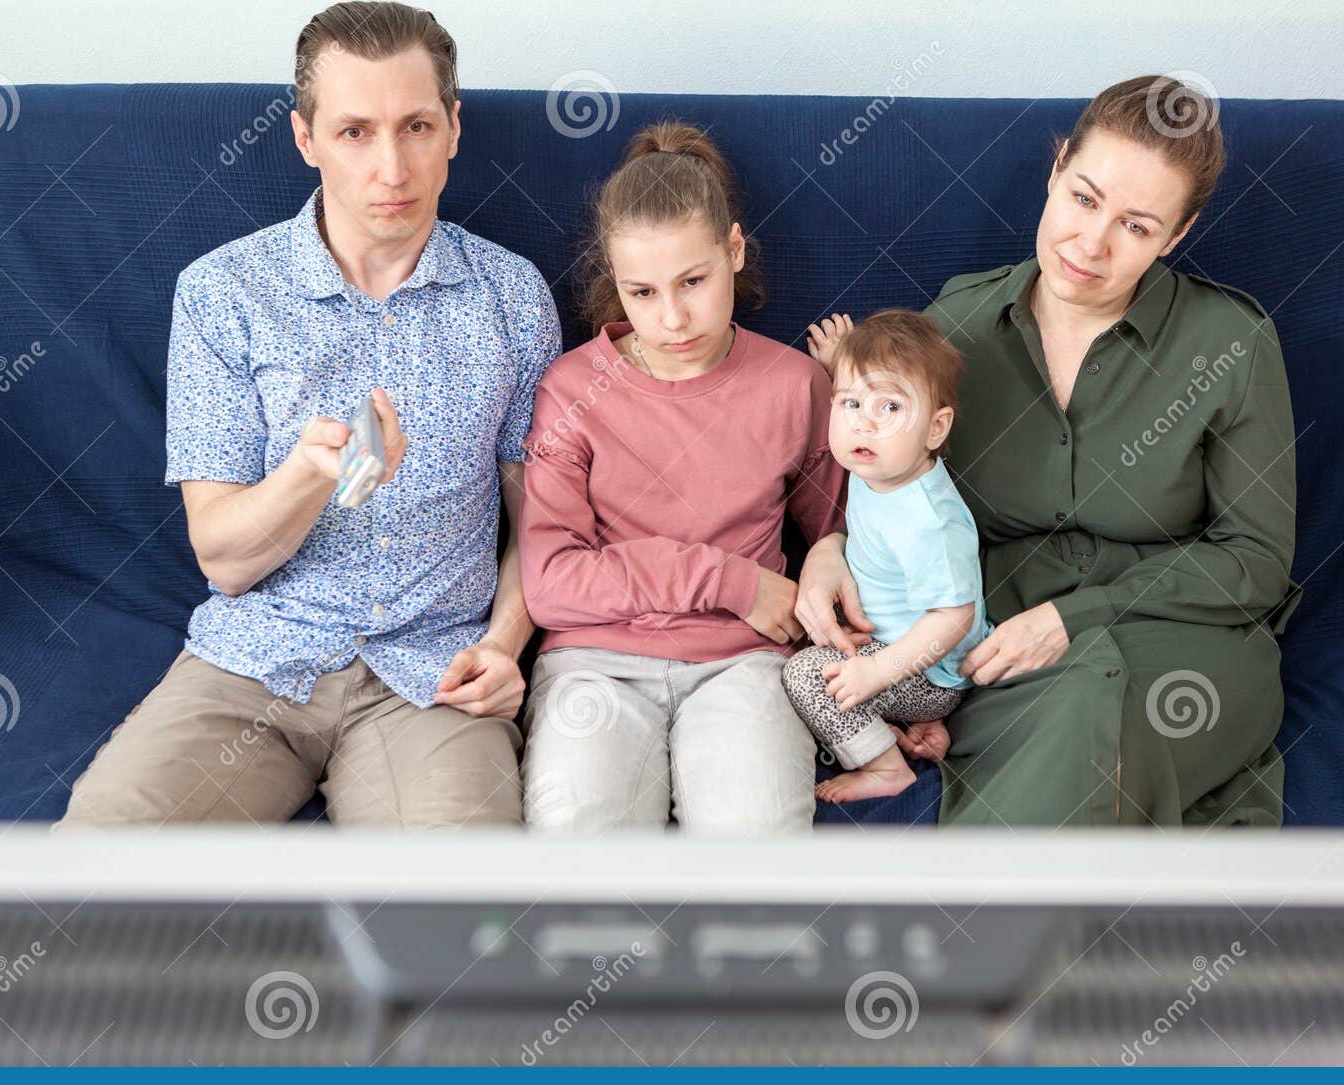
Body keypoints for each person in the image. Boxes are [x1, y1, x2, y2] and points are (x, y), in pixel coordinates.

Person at [56, 2, 559, 828]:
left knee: (462, 915)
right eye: (356, 131)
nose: (392, 167)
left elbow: (540, 515)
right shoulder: (223, 292)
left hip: (431, 677)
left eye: (417, 126)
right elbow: (223, 561)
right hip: (254, 663)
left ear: (454, 129)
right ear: (306, 140)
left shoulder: (513, 296)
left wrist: (506, 645)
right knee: (97, 863)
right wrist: (308, 475)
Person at [795, 76, 1302, 826]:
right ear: (1056, 168)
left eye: (1136, 226)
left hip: (1186, 637)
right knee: (1073, 709)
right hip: (1002, 652)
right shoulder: (955, 329)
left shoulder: (1232, 344)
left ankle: (986, 929)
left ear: (1178, 234)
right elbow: (896, 477)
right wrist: (829, 547)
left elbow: (1255, 560)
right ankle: (1029, 924)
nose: (1090, 245)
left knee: (1107, 709)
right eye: (1085, 197)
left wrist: (1080, 613)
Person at [517, 120, 848, 833]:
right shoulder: (573, 389)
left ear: (734, 249)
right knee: (582, 843)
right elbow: (550, 584)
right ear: (615, 280)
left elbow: (841, 528)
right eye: (641, 292)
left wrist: (829, 553)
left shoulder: (792, 384)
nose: (672, 318)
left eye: (694, 281)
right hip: (595, 663)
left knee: (753, 849)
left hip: (744, 664)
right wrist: (733, 582)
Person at [783, 310, 988, 804]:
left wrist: (880, 672)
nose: (863, 424)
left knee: (806, 676)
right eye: (850, 403)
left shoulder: (929, 521)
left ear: (935, 429)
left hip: (927, 669)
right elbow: (865, 410)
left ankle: (885, 766)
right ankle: (909, 726)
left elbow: (955, 617)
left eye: (891, 408)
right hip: (892, 645)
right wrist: (842, 366)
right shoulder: (881, 464)